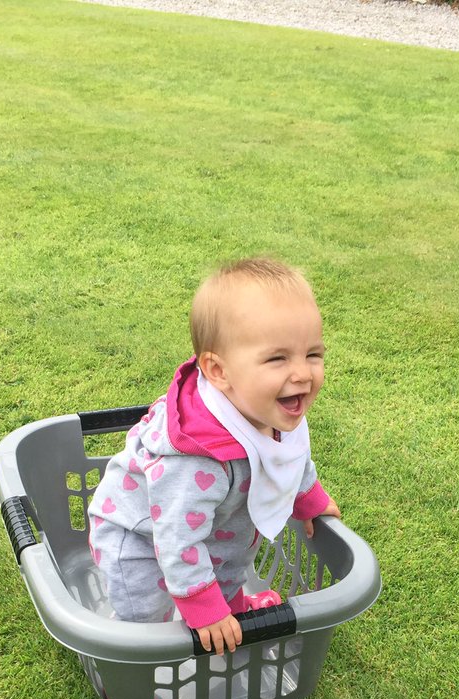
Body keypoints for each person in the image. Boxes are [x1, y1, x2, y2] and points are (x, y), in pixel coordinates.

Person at [86, 257, 340, 655]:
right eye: (278, 358)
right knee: (144, 619)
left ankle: (233, 613)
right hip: (137, 538)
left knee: (230, 555)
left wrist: (308, 500)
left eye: (313, 354)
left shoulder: (271, 408)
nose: (303, 373)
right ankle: (132, 671)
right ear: (218, 371)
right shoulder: (196, 458)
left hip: (215, 530)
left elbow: (288, 457)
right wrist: (201, 608)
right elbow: (176, 538)